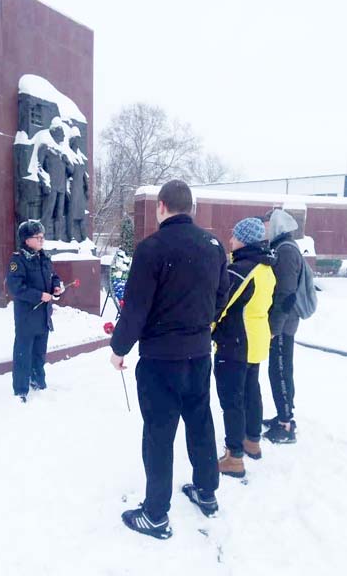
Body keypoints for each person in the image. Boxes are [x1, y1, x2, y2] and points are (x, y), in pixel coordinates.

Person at [110, 180, 229, 540]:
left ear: (162, 206)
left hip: (161, 359)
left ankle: (156, 514)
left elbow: (136, 309)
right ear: (189, 207)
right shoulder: (213, 245)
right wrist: (200, 325)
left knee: (159, 434)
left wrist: (119, 348)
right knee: (200, 422)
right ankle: (206, 492)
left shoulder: (152, 248)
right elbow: (221, 296)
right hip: (197, 355)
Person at [213, 218, 276, 478]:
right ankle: (252, 441)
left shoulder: (240, 270)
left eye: (235, 236)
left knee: (232, 399)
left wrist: (208, 327)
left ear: (245, 240)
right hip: (256, 339)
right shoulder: (266, 268)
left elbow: (220, 305)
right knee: (251, 392)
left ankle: (234, 457)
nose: (230, 240)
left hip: (236, 343)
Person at [6, 220, 61, 402]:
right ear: (26, 240)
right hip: (27, 316)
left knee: (39, 352)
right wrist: (39, 295)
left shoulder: (44, 257)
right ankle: (20, 390)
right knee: (23, 354)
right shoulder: (18, 260)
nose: (41, 240)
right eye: (38, 237)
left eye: (42, 237)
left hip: (43, 315)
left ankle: (38, 382)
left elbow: (53, 276)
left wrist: (56, 287)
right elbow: (15, 288)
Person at [262, 209, 302, 443]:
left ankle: (286, 425)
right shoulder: (283, 246)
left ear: (276, 224)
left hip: (283, 324)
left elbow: (285, 294)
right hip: (283, 321)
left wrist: (273, 328)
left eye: (267, 223)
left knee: (280, 371)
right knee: (280, 370)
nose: (265, 228)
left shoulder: (285, 250)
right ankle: (282, 415)